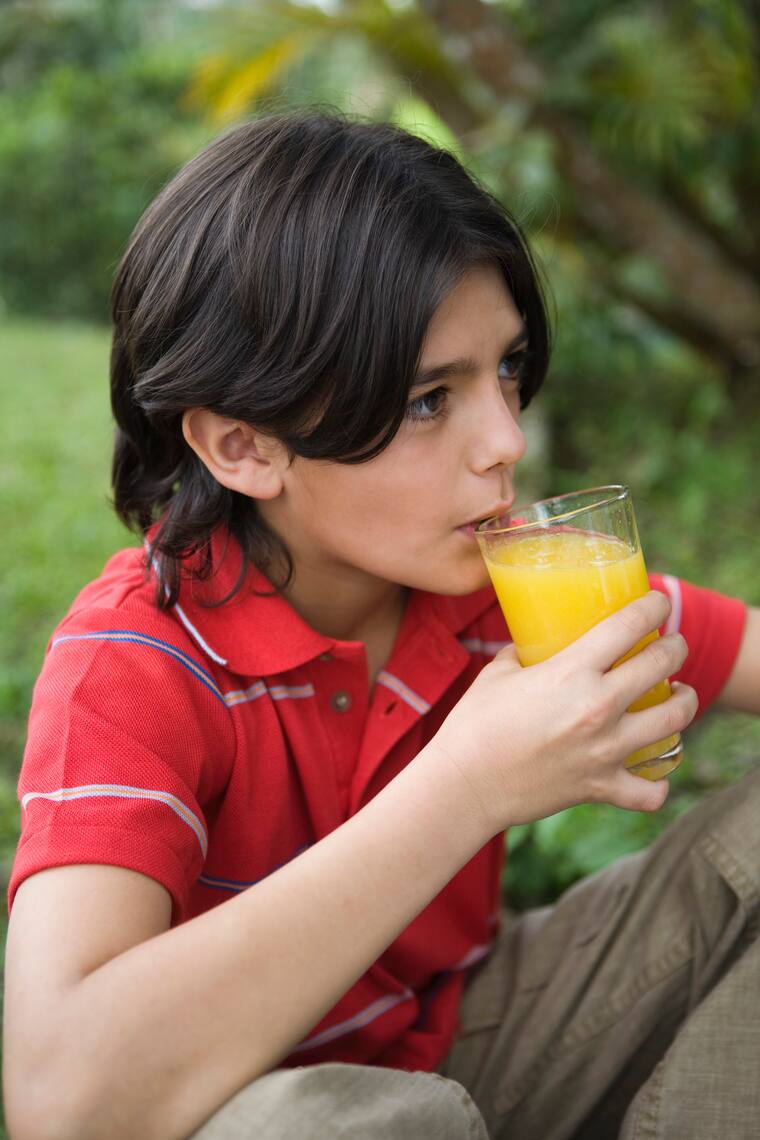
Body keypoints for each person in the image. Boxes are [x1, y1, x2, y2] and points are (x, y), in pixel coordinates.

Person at [3, 111, 759, 1140]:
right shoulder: (135, 664)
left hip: (474, 1031)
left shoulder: (503, 587)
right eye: (427, 400)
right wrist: (469, 785)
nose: (506, 439)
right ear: (243, 446)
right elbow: (61, 1099)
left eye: (506, 367)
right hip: (250, 1101)